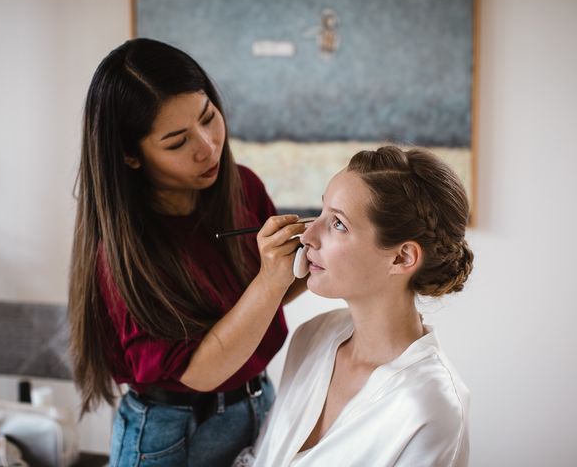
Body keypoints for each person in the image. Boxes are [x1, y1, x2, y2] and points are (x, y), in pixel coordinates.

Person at [67, 38, 307, 467]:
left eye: (209, 118)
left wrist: (313, 257)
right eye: (177, 142)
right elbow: (200, 370)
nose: (207, 146)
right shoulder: (126, 250)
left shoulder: (243, 186)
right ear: (130, 156)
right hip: (171, 433)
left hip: (258, 402)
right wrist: (273, 278)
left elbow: (264, 299)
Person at [247, 145, 473, 466]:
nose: (307, 235)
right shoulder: (312, 337)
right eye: (321, 211)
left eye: (338, 223)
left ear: (401, 257)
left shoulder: (431, 406)